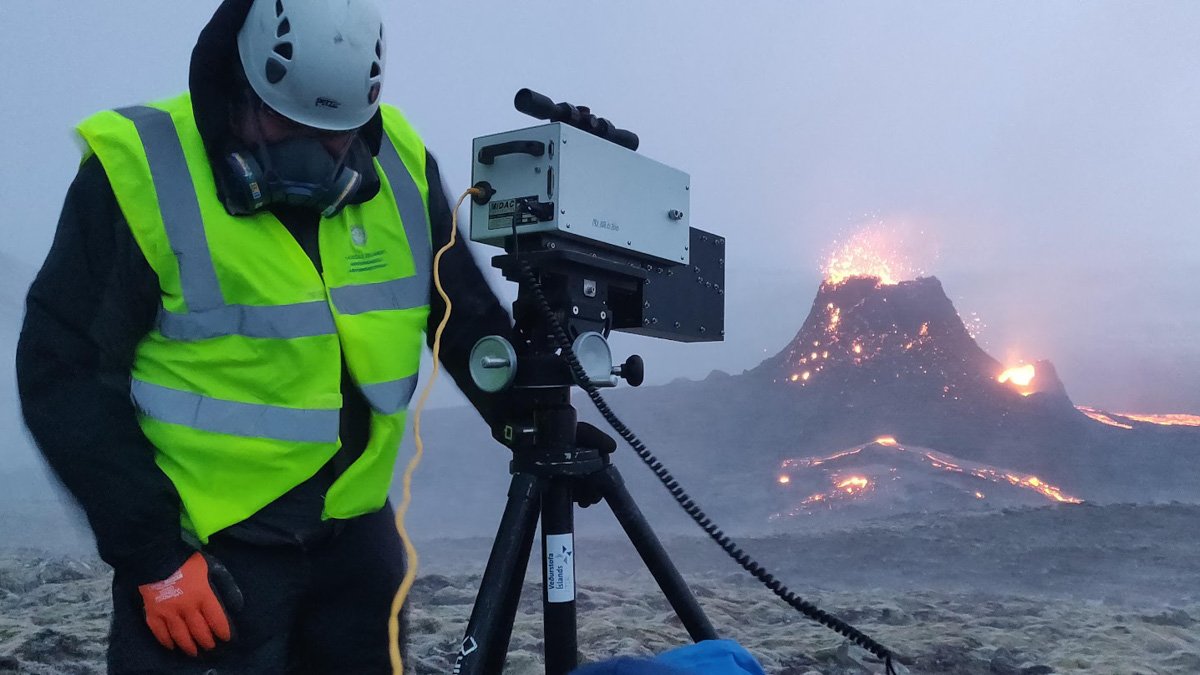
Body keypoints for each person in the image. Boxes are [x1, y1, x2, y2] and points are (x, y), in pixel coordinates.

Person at [16, 0, 564, 671]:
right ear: (239, 84)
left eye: (331, 135)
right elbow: (62, 370)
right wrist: (151, 554)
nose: (308, 150)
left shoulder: (399, 165)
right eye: (281, 123)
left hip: (356, 548)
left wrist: (527, 416)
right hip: (208, 558)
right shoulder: (141, 170)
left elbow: (465, 316)